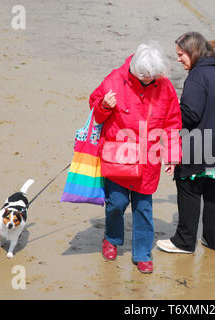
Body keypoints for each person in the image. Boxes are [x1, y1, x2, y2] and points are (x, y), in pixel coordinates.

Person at [90, 41, 182, 273]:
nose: (148, 81)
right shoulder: (114, 80)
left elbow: (172, 123)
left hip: (148, 161)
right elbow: (95, 111)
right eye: (144, 78)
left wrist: (171, 155)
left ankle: (142, 254)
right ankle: (111, 239)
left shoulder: (165, 86)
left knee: (143, 209)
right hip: (118, 157)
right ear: (134, 70)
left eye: (152, 78)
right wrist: (103, 105)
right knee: (116, 204)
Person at [156, 32, 215, 254]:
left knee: (187, 182)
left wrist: (168, 112)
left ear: (193, 52)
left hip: (210, 141)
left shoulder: (197, 76)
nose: (178, 59)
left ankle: (184, 242)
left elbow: (189, 116)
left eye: (181, 54)